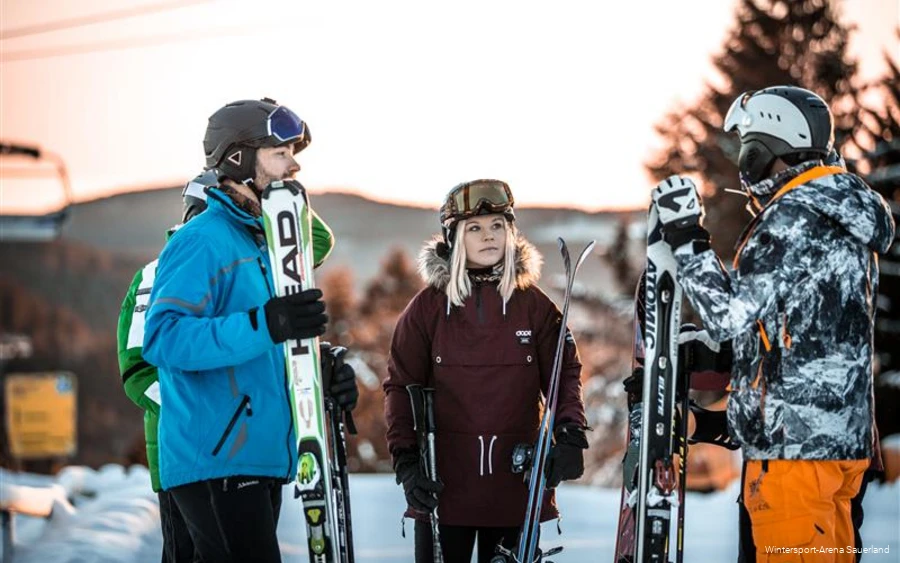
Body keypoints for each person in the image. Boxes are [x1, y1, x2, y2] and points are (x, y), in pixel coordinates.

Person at [650, 85, 895, 562]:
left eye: (747, 145)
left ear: (768, 146)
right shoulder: (840, 212)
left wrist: (687, 239)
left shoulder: (792, 215)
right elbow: (804, 334)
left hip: (795, 456)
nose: (744, 160)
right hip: (840, 447)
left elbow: (726, 314)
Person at [142, 98, 358, 563]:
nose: (294, 164)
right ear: (238, 158)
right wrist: (268, 323)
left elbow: (260, 346)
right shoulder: (201, 240)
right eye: (280, 153)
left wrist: (320, 370)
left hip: (253, 456)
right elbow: (165, 337)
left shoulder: (262, 245)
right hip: (216, 459)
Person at [383, 179, 589, 563]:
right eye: (474, 228)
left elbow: (564, 376)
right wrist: (406, 461)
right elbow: (400, 387)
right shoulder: (426, 309)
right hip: (442, 488)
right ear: (454, 236)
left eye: (497, 225)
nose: (488, 236)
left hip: (516, 488)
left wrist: (571, 432)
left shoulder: (535, 307)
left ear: (511, 233)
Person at [117, 170, 215, 562]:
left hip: (240, 448)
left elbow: (320, 243)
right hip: (182, 453)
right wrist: (194, 406)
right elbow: (138, 371)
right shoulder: (155, 275)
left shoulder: (243, 268)